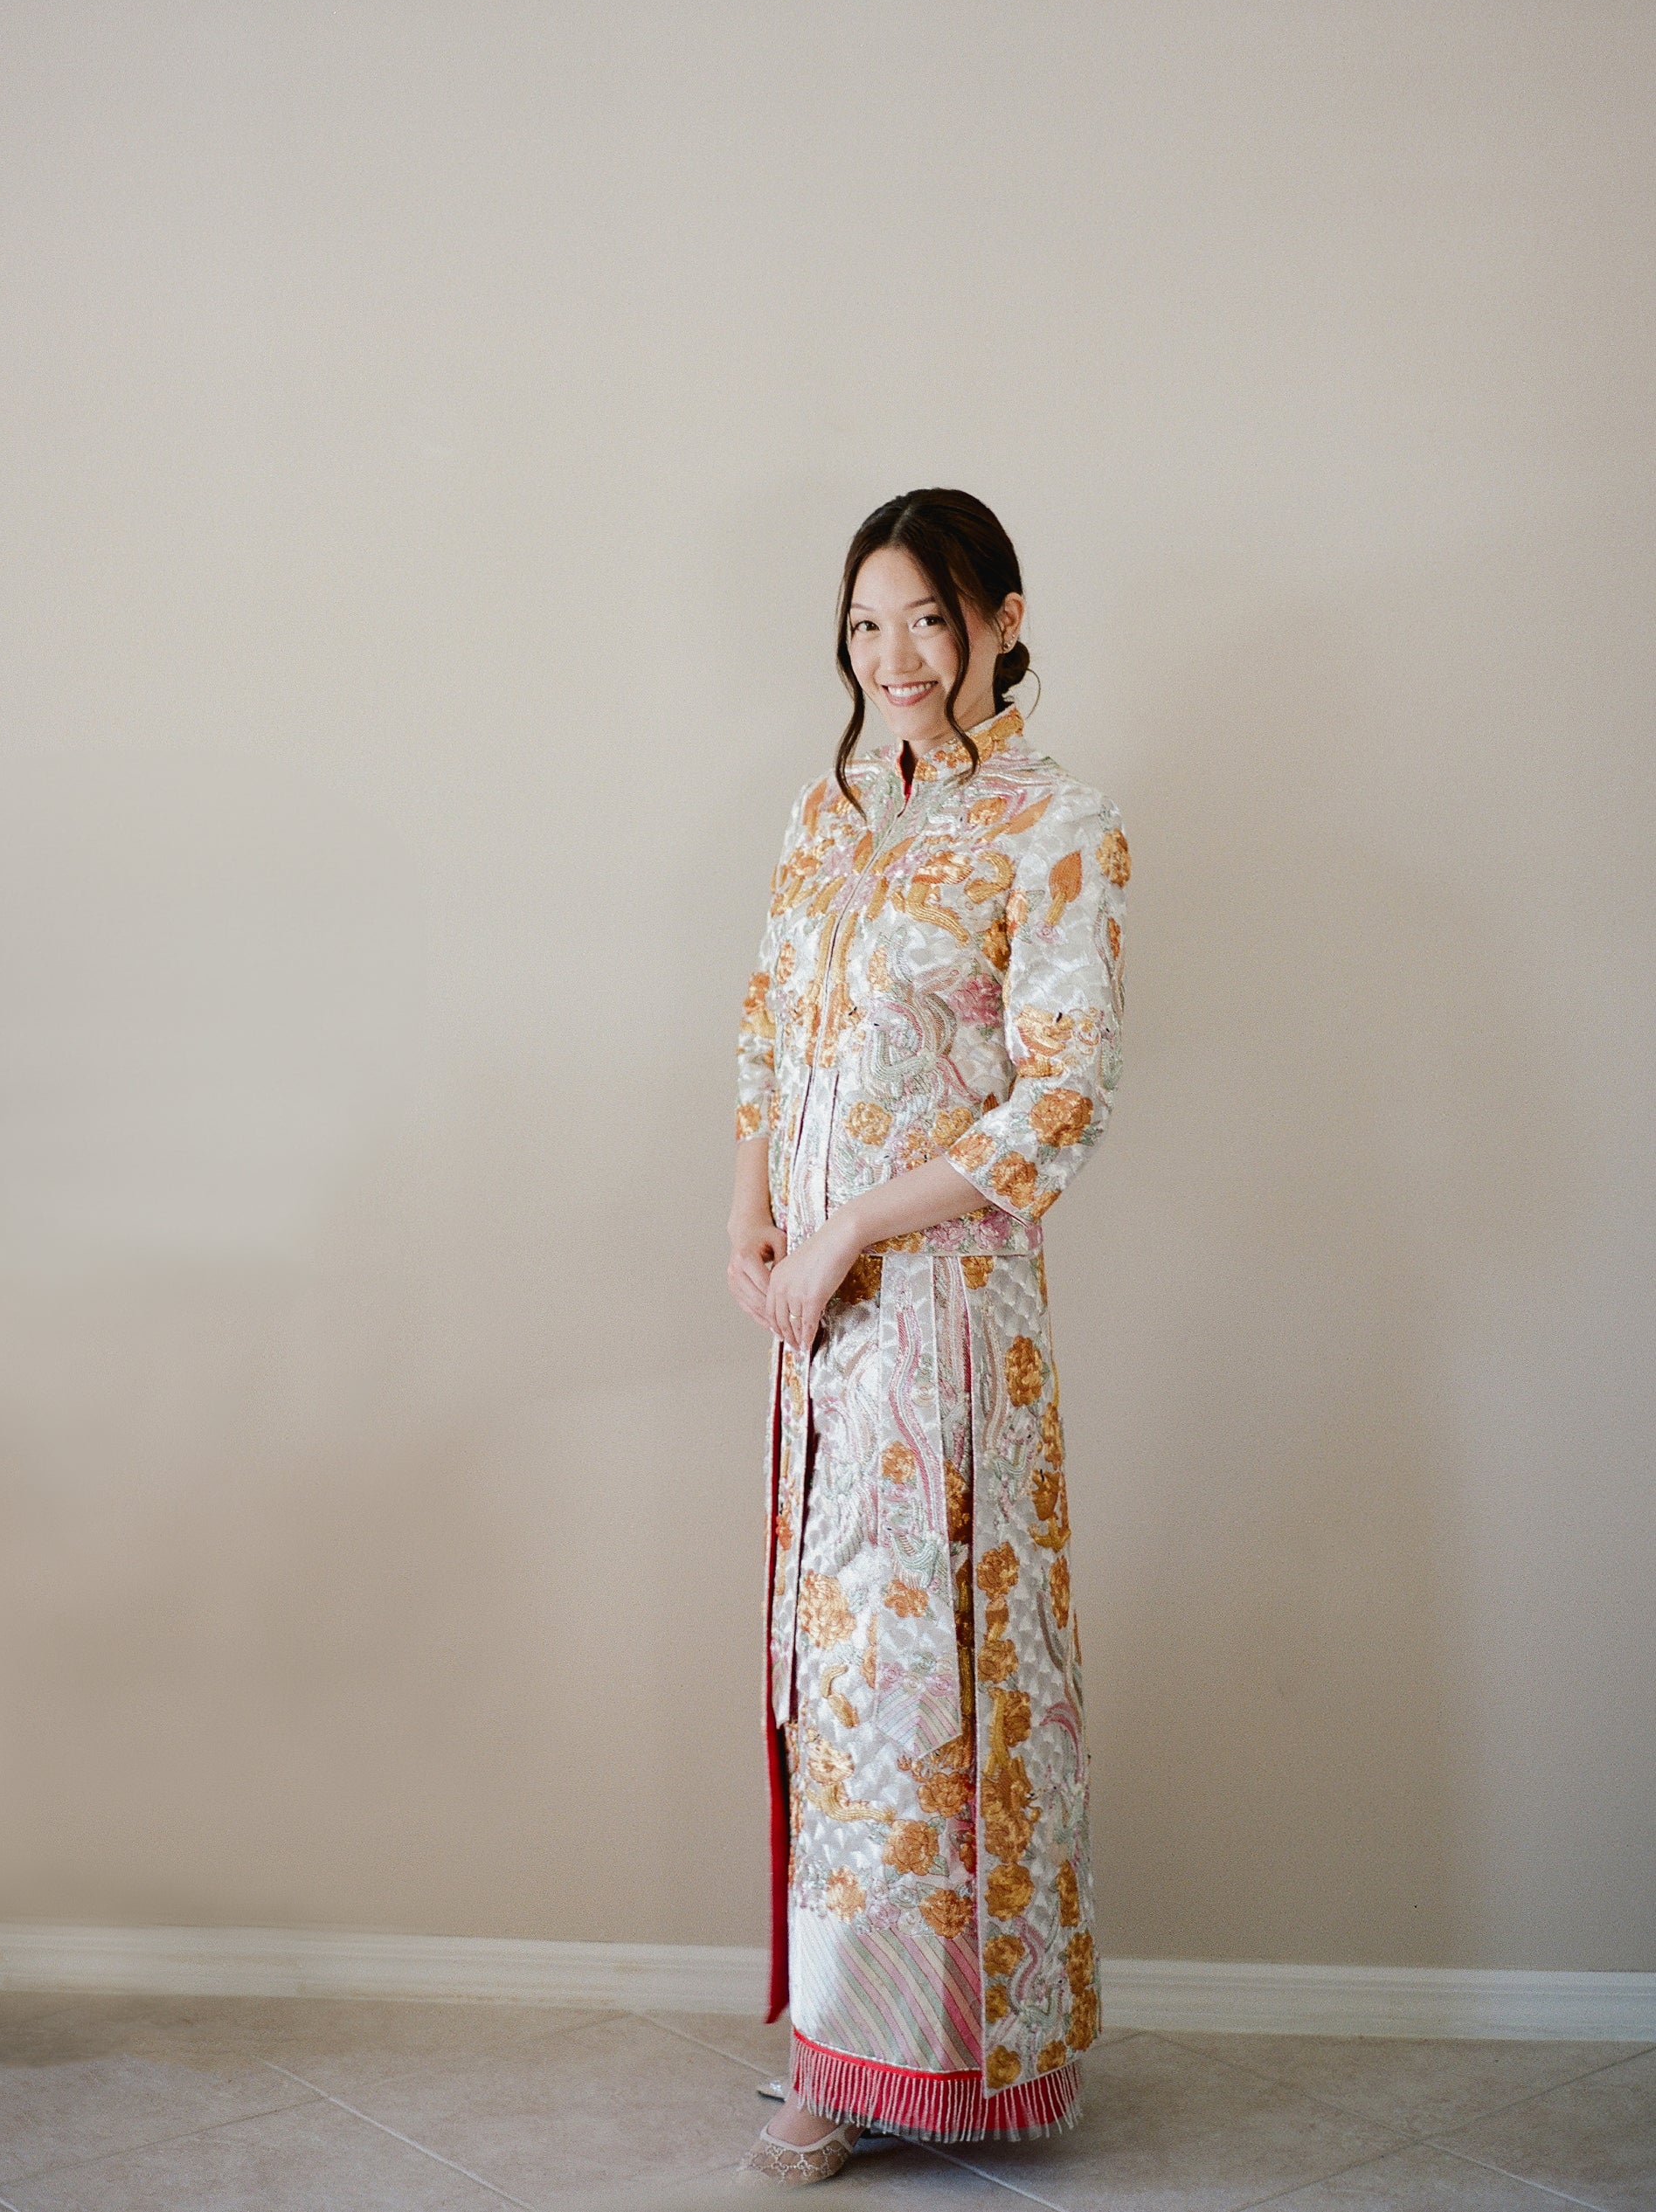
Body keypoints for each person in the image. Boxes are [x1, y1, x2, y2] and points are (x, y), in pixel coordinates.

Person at [725, 488, 1130, 2186]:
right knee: (839, 1690)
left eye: (929, 621)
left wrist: (846, 1230)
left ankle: (936, 2060)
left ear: (1002, 619)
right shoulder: (824, 821)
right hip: (819, 1332)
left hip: (948, 1325)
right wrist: (749, 1210)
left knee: (931, 1689)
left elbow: (1062, 1095)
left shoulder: (1056, 826)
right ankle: (841, 2050)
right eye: (866, 622)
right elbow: (764, 1027)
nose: (891, 657)